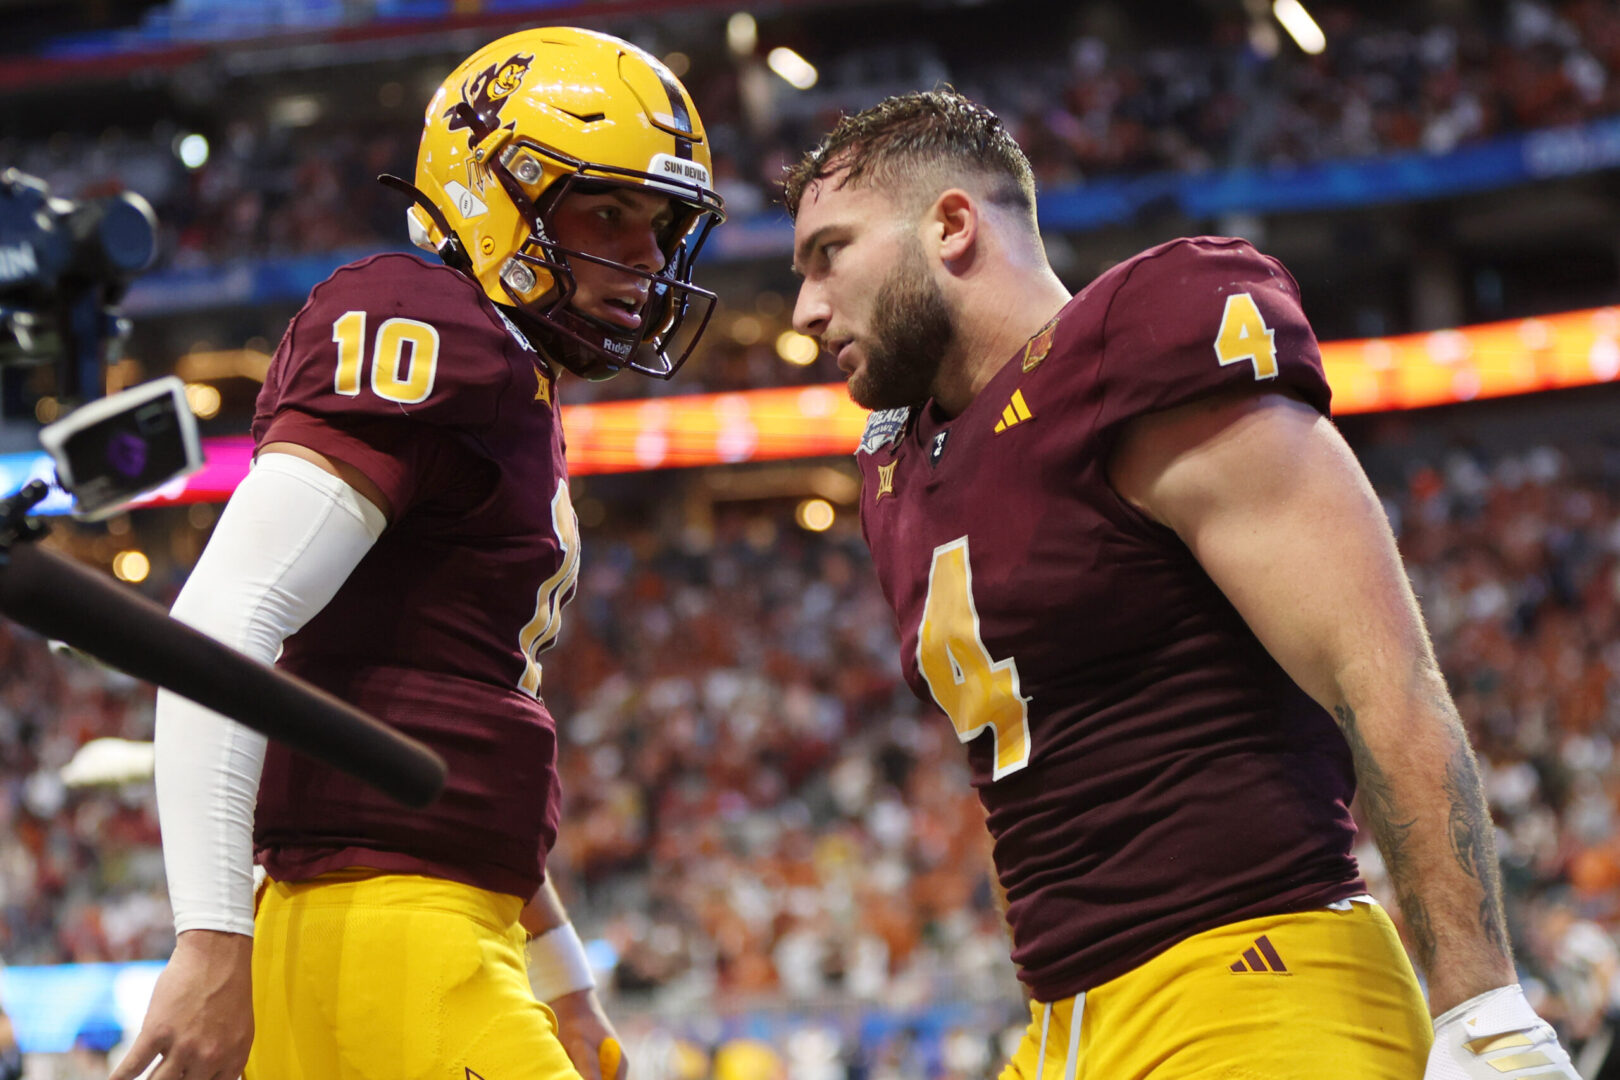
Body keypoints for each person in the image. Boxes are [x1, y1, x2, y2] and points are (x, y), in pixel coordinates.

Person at [784, 88, 1578, 1080]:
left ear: (951, 225)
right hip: (1065, 1027)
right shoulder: (895, 466)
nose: (806, 308)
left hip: (1254, 984)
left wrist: (1483, 1006)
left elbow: (1380, 673)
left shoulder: (1139, 346)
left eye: (830, 253)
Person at [110, 26, 724, 1080]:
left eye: (663, 227)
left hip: (415, 920)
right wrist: (208, 937)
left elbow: (442, 718)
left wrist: (564, 977)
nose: (649, 258)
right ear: (497, 193)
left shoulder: (507, 379)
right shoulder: (427, 327)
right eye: (609, 212)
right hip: (387, 934)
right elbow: (225, 615)